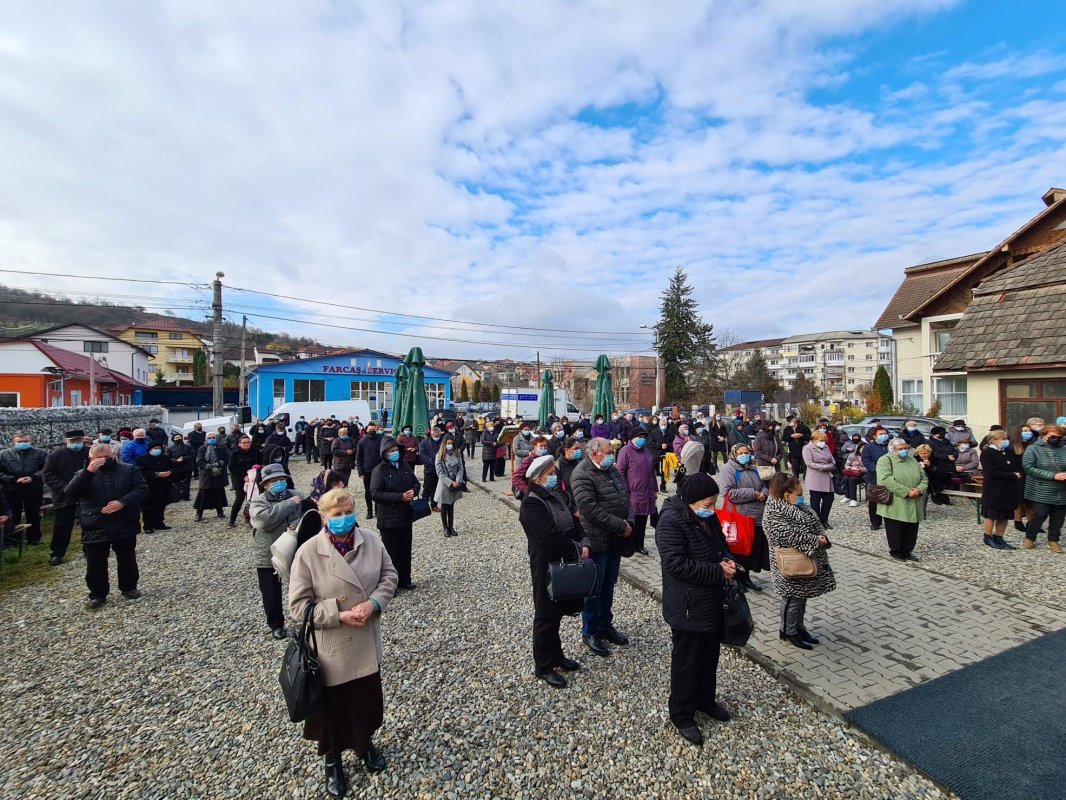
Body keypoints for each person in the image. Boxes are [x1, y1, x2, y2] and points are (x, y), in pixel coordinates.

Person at [288, 488, 397, 796]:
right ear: (324, 517)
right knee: (334, 709)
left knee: (365, 701)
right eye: (336, 514)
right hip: (332, 646)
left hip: (365, 638)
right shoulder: (308, 552)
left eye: (348, 511)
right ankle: (333, 761)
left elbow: (389, 577)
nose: (344, 519)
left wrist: (374, 604)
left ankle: (365, 745)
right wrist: (339, 613)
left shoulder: (371, 541)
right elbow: (298, 607)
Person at [655, 472, 734, 746]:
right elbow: (675, 564)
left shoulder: (706, 517)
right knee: (686, 661)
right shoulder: (671, 521)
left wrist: (727, 560)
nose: (711, 509)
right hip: (686, 604)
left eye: (714, 503)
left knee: (709, 655)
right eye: (707, 503)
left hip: (710, 600)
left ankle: (705, 700)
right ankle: (682, 713)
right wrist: (716, 571)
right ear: (690, 501)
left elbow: (720, 545)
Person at [518, 455, 589, 689]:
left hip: (564, 556)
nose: (554, 476)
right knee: (545, 614)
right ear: (539, 477)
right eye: (550, 473)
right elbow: (549, 535)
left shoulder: (554, 493)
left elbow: (572, 520)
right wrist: (576, 550)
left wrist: (583, 541)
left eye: (554, 472)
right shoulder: (532, 502)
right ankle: (544, 665)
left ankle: (557, 655)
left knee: (557, 610)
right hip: (546, 562)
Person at [65, 444, 148, 608]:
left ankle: (129, 587)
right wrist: (89, 472)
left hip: (124, 520)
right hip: (95, 523)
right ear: (91, 459)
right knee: (95, 561)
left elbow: (142, 488)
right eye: (100, 458)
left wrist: (122, 502)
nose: (105, 461)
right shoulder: (82, 474)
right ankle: (97, 593)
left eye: (108, 457)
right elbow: (70, 493)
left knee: (127, 557)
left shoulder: (129, 470)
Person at [571, 437, 633, 658]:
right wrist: (620, 525)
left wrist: (630, 521)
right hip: (597, 540)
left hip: (615, 540)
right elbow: (590, 509)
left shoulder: (611, 470)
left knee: (609, 585)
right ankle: (590, 632)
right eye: (607, 452)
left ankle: (606, 625)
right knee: (594, 589)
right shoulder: (581, 474)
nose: (611, 455)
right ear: (595, 453)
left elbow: (625, 497)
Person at [762, 472, 836, 651]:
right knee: (791, 598)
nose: (802, 498)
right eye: (799, 494)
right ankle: (787, 631)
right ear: (786, 495)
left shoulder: (796, 506)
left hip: (805, 559)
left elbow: (812, 525)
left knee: (801, 597)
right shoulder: (774, 512)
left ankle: (799, 627)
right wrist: (814, 541)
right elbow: (787, 535)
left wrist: (821, 539)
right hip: (789, 562)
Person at [249, 463, 304, 639]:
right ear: (265, 485)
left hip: (296, 548)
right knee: (270, 591)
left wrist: (297, 523)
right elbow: (263, 521)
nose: (279, 483)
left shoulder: (296, 495)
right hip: (269, 551)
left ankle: (307, 617)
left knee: (304, 584)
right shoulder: (259, 501)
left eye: (281, 479)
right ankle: (276, 624)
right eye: (273, 481)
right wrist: (288, 504)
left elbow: (309, 513)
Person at [716, 443, 770, 592]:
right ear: (733, 454)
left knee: (752, 550)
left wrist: (764, 493)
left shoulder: (752, 468)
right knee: (739, 551)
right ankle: (736, 579)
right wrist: (753, 494)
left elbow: (763, 485)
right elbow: (728, 493)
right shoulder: (729, 469)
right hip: (739, 517)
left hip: (757, 517)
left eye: (747, 452)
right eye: (741, 453)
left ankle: (746, 578)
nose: (744, 455)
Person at [370, 435, 421, 590]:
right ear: (384, 453)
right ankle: (390, 586)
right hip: (389, 519)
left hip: (405, 516)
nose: (394, 453)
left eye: (395, 450)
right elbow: (375, 493)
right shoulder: (379, 470)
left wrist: (413, 491)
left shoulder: (404, 466)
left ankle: (405, 580)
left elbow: (416, 483)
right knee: (390, 554)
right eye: (390, 451)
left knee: (405, 550)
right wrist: (400, 497)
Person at [42, 430, 90, 565]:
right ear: (66, 441)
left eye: (79, 441)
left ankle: (89, 549)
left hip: (87, 494)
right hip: (63, 495)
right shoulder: (55, 455)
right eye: (73, 441)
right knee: (62, 525)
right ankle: (57, 553)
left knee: (89, 523)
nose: (76, 443)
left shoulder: (90, 452)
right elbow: (48, 475)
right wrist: (66, 487)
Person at [875, 437, 927, 562]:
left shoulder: (912, 459)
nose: (904, 451)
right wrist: (906, 491)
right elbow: (886, 479)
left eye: (905, 448)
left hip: (914, 498)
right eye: (900, 449)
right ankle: (896, 551)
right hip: (896, 500)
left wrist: (919, 489)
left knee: (912, 526)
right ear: (892, 449)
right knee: (896, 526)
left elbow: (924, 477)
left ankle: (907, 550)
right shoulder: (885, 460)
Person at [1021, 424, 1066, 553]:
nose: (1056, 439)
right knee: (1040, 514)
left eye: (1059, 437)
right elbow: (1028, 467)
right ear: (1044, 435)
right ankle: (1030, 537)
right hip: (1041, 488)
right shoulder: (1033, 448)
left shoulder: (1064, 448)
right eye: (1053, 436)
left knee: (1059, 517)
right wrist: (1053, 475)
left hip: (1062, 489)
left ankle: (1053, 540)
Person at [0, 432, 47, 546]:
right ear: (13, 442)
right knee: (13, 514)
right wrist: (13, 479)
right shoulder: (3, 454)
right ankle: (13, 540)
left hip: (33, 487)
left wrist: (33, 477)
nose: (22, 443)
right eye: (19, 442)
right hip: (11, 489)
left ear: (31, 442)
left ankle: (34, 538)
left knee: (34, 514)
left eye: (25, 441)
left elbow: (47, 469)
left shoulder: (40, 453)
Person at [617, 428, 656, 556]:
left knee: (643, 520)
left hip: (647, 491)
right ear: (632, 438)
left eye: (644, 438)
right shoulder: (625, 451)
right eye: (639, 437)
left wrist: (655, 489)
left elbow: (652, 472)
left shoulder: (646, 451)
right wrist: (625, 490)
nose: (641, 440)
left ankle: (640, 544)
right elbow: (621, 471)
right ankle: (630, 545)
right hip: (633, 492)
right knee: (634, 520)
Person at [979, 431, 1020, 550]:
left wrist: (1016, 473)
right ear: (993, 440)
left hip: (1009, 488)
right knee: (992, 515)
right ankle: (988, 536)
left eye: (1006, 438)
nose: (1005, 441)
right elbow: (991, 472)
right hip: (994, 489)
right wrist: (1012, 475)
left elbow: (1016, 465)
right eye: (1002, 439)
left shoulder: (1008, 451)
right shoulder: (987, 453)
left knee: (1005, 515)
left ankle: (999, 537)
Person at [135, 440, 173, 533]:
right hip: (149, 486)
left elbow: (173, 467)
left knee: (161, 505)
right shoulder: (142, 459)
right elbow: (140, 472)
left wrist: (170, 472)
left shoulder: (165, 458)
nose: (158, 450)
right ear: (150, 449)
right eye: (155, 448)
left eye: (159, 448)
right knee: (148, 507)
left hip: (163, 485)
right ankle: (148, 526)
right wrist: (156, 474)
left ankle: (159, 523)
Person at [801, 430, 836, 529]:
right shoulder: (807, 448)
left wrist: (830, 465)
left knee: (829, 500)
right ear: (814, 439)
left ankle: (824, 519)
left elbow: (832, 460)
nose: (823, 443)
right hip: (815, 478)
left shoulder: (826, 447)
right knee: (815, 502)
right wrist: (825, 467)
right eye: (821, 440)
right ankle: (817, 521)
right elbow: (809, 463)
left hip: (827, 477)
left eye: (824, 441)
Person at [194, 432, 231, 522]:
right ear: (206, 439)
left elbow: (227, 457)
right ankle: (199, 513)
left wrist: (219, 464)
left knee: (219, 493)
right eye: (210, 437)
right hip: (206, 474)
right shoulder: (202, 448)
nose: (212, 438)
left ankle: (220, 511)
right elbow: (199, 460)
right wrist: (209, 467)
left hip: (219, 473)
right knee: (203, 494)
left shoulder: (222, 447)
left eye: (213, 437)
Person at [225, 435, 261, 528]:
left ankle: (249, 518)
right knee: (239, 499)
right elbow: (231, 467)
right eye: (244, 442)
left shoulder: (256, 451)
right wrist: (243, 477)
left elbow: (261, 463)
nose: (246, 444)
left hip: (253, 478)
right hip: (239, 479)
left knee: (252, 499)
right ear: (240, 444)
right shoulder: (235, 453)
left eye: (248, 442)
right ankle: (232, 520)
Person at [434, 434, 465, 537]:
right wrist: (450, 482)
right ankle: (445, 527)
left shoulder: (457, 453)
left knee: (451, 505)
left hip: (455, 482)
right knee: (444, 505)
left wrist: (458, 480)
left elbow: (461, 468)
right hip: (445, 483)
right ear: (444, 444)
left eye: (451, 443)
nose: (450, 445)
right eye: (448, 443)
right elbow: (440, 472)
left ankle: (451, 526)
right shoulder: (440, 455)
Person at [861, 427, 891, 531]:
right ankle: (875, 522)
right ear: (875, 436)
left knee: (890, 499)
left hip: (891, 476)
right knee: (874, 501)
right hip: (875, 477)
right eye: (881, 433)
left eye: (885, 433)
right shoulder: (869, 447)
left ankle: (890, 520)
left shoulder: (891, 446)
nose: (884, 435)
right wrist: (875, 469)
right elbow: (865, 460)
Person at [1012, 423, 1038, 532]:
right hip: (1019, 476)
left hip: (1032, 475)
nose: (1028, 433)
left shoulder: (1034, 445)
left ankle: (1031, 523)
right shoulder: (1012, 446)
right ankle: (1018, 521)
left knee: (1030, 501)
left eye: (1029, 431)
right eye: (1025, 431)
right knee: (1019, 501)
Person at [355, 422, 384, 520]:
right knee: (368, 492)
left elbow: (384, 454)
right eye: (370, 430)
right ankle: (369, 511)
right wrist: (360, 472)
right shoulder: (362, 441)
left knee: (379, 491)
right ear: (367, 430)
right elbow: (358, 458)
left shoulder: (381, 440)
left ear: (376, 430)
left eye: (373, 430)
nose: (372, 431)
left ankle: (378, 511)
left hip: (379, 470)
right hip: (367, 471)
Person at [419, 427, 443, 511]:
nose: (437, 437)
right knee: (427, 487)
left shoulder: (443, 441)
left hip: (439, 469)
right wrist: (432, 461)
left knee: (436, 487)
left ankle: (434, 505)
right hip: (429, 468)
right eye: (435, 435)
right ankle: (423, 506)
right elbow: (422, 454)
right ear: (431, 434)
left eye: (438, 435)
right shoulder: (425, 442)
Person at [167, 433, 195, 501]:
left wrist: (184, 458)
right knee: (178, 483)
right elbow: (168, 458)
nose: (178, 439)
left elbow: (192, 454)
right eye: (176, 438)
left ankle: (186, 496)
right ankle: (178, 496)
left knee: (187, 483)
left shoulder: (188, 447)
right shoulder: (170, 448)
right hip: (177, 468)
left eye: (179, 437)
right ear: (173, 440)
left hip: (187, 468)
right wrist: (176, 460)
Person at [650, 417, 674, 492]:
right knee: (652, 470)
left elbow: (673, 443)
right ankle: (652, 486)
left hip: (666, 454)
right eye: (662, 424)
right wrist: (660, 445)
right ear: (659, 424)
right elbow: (651, 443)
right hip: (656, 454)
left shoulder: (670, 433)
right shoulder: (654, 432)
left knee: (664, 471)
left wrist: (667, 445)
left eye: (665, 424)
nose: (663, 425)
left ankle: (663, 486)